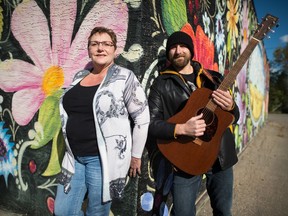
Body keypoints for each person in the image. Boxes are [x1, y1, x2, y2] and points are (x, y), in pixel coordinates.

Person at [54, 27, 150, 216]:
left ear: (115, 50)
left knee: (96, 212)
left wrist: (136, 155)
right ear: (89, 49)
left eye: (107, 44)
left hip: (102, 159)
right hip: (73, 158)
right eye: (95, 44)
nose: (100, 48)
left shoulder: (124, 77)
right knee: (63, 211)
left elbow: (142, 117)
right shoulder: (79, 77)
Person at [148, 31, 240, 216]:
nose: (178, 51)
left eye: (182, 46)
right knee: (183, 213)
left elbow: (233, 117)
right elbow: (151, 123)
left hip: (219, 156)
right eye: (173, 47)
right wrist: (181, 128)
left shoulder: (213, 78)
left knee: (223, 211)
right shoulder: (161, 83)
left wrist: (231, 106)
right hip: (186, 158)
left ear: (191, 50)